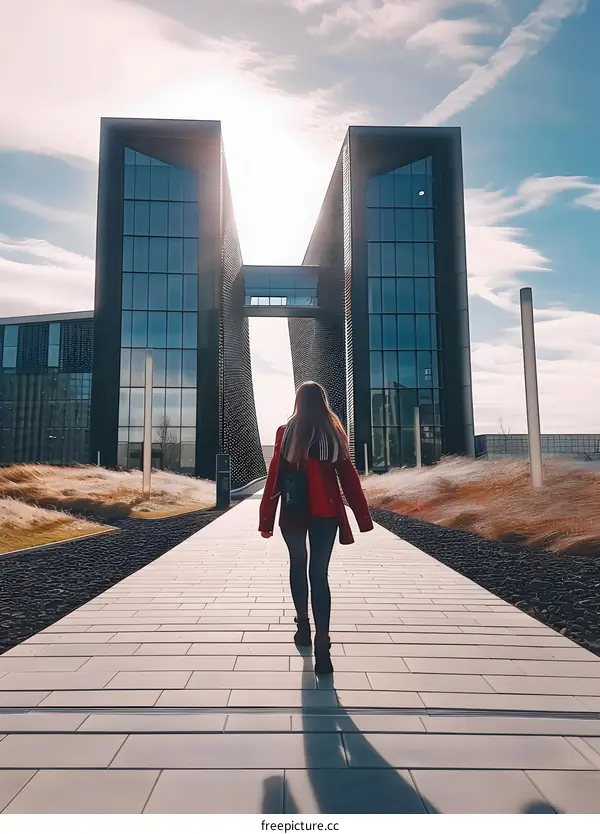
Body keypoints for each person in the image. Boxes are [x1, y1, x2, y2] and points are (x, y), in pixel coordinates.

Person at [258, 381, 374, 674]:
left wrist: (266, 520)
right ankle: (323, 642)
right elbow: (349, 477)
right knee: (319, 574)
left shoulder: (287, 433)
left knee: (298, 565)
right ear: (323, 402)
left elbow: (274, 477)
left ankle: (303, 627)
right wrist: (363, 518)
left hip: (293, 511)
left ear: (298, 402)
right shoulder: (333, 433)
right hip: (326, 512)